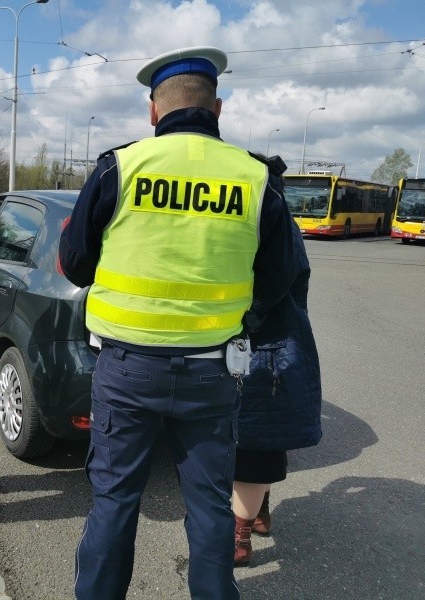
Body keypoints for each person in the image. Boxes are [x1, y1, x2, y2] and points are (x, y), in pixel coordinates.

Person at [58, 46, 299, 599]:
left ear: (153, 112)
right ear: (217, 109)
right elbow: (281, 275)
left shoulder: (120, 167)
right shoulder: (256, 178)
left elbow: (74, 263)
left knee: (115, 503)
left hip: (125, 370)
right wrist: (240, 317)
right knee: (211, 508)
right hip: (213, 373)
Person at [233, 223, 322, 566]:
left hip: (261, 345)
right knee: (266, 435)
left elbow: (280, 281)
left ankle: (239, 538)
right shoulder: (275, 212)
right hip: (277, 344)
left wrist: (243, 316)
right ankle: (257, 514)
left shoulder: (266, 210)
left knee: (252, 444)